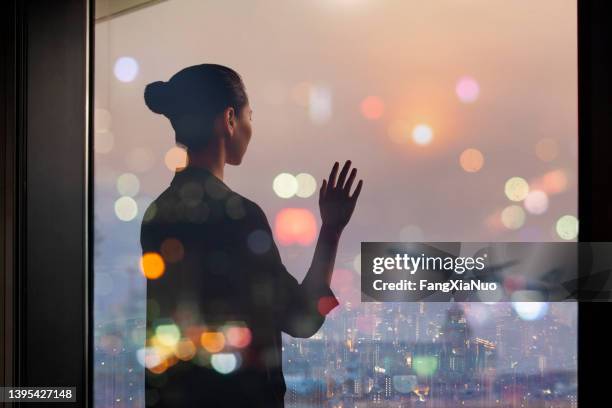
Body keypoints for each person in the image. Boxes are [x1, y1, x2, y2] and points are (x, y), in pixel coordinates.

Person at [141, 64, 362, 407]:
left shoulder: (157, 215)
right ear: (229, 119)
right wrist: (332, 229)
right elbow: (301, 319)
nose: (249, 127)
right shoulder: (238, 215)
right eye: (249, 116)